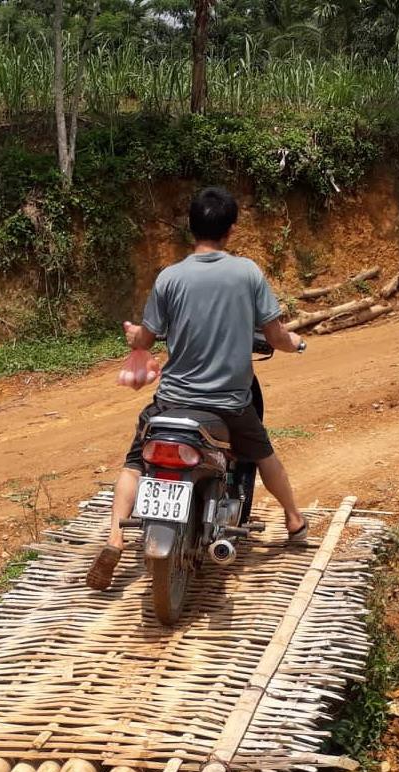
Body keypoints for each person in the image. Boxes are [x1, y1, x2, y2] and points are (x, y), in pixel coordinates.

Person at [85, 186, 308, 592]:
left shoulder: (169, 277)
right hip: (228, 404)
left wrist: (136, 336)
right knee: (262, 453)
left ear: (191, 228)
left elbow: (145, 341)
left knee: (135, 463)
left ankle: (116, 537)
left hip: (171, 402)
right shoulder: (247, 273)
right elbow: (275, 335)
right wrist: (295, 343)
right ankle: (294, 520)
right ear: (232, 230)